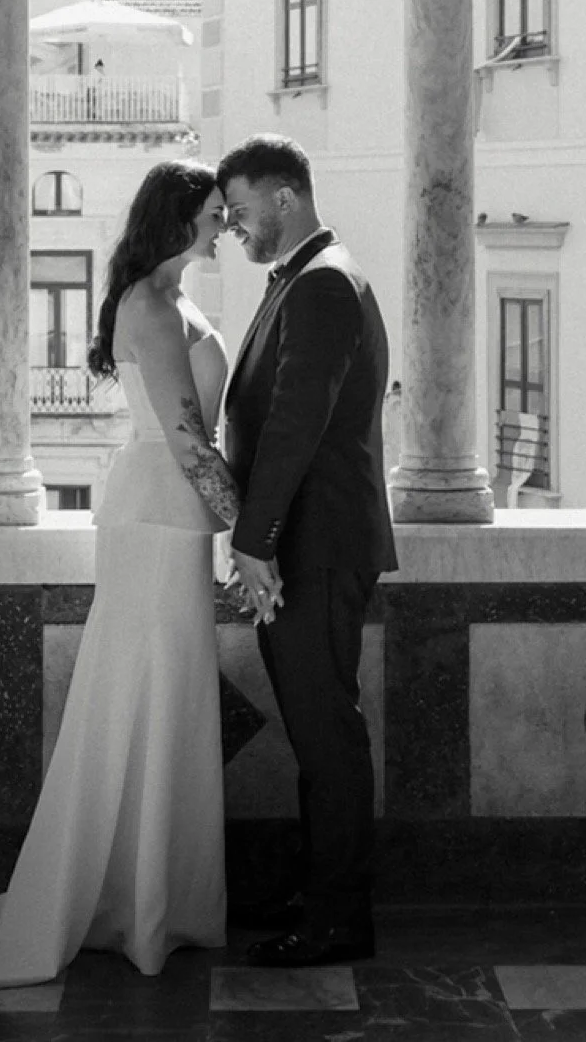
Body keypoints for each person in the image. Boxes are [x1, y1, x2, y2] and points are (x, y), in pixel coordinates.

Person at [0, 159, 265, 986]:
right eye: (216, 212)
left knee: (168, 698)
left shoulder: (170, 298)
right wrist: (255, 539)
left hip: (165, 512)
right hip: (158, 510)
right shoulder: (150, 306)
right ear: (179, 216)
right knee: (143, 697)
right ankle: (137, 908)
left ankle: (158, 902)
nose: (225, 225)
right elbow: (189, 439)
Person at [216, 135, 398, 969]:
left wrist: (254, 542)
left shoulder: (323, 284)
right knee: (316, 733)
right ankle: (320, 891)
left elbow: (296, 423)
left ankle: (336, 920)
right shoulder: (307, 276)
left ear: (285, 199)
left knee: (328, 738)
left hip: (312, 549)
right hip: (309, 543)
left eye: (244, 212)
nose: (235, 229)